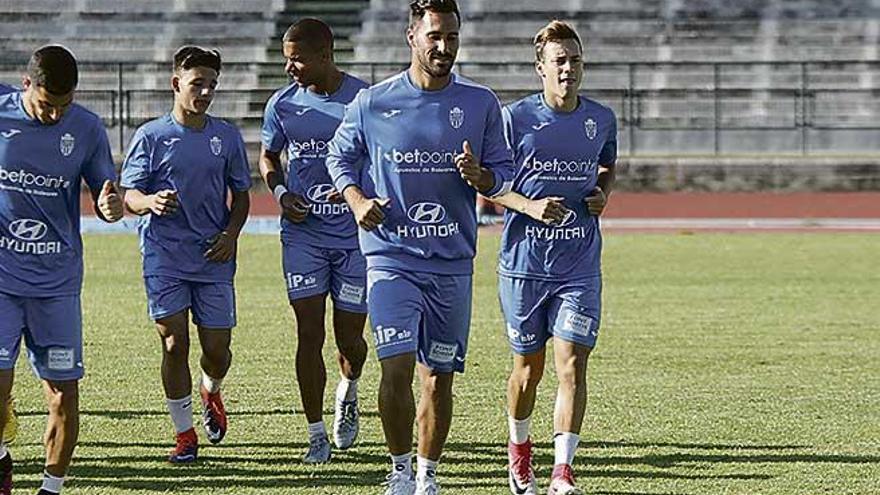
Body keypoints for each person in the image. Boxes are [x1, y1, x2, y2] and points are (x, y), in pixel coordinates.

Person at [326, 1, 515, 493]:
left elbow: (504, 175)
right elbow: (339, 157)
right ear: (412, 36)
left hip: (452, 262)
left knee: (438, 378)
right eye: (434, 36)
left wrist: (482, 176)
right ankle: (400, 472)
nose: (444, 47)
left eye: (451, 36)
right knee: (397, 364)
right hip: (390, 258)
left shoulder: (481, 104)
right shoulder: (374, 102)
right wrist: (356, 199)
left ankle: (428, 476)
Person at [493, 20, 618, 495]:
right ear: (540, 68)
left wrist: (602, 193)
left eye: (575, 60)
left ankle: (562, 473)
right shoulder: (513, 119)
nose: (568, 68)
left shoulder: (601, 119)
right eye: (559, 60)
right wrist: (529, 206)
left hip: (579, 263)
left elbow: (607, 164)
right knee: (529, 368)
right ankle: (519, 451)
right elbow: (491, 185)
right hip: (524, 265)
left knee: (572, 365)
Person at [0, 45, 124, 495]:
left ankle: (51, 489)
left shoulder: (87, 129)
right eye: (47, 106)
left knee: (63, 395)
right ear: (26, 84)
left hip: (56, 283)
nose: (56, 116)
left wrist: (111, 207)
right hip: (2, 277)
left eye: (64, 106)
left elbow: (107, 195)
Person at [121, 46, 251, 463]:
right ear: (177, 84)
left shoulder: (226, 136)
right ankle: (184, 434)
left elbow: (243, 196)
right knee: (174, 341)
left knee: (217, 349)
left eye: (212, 84)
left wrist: (231, 234)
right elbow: (131, 196)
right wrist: (150, 203)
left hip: (213, 256)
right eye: (198, 83)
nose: (207, 91)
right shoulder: (151, 136)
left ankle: (211, 389)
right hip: (164, 255)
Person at [259, 18, 370, 463]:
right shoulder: (282, 105)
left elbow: (380, 157)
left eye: (298, 59)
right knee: (308, 333)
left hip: (353, 239)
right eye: (286, 59)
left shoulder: (364, 100)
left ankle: (350, 388)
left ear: (326, 56)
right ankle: (316, 434)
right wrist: (282, 193)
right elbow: (269, 155)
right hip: (303, 236)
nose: (290, 68)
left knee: (350, 342)